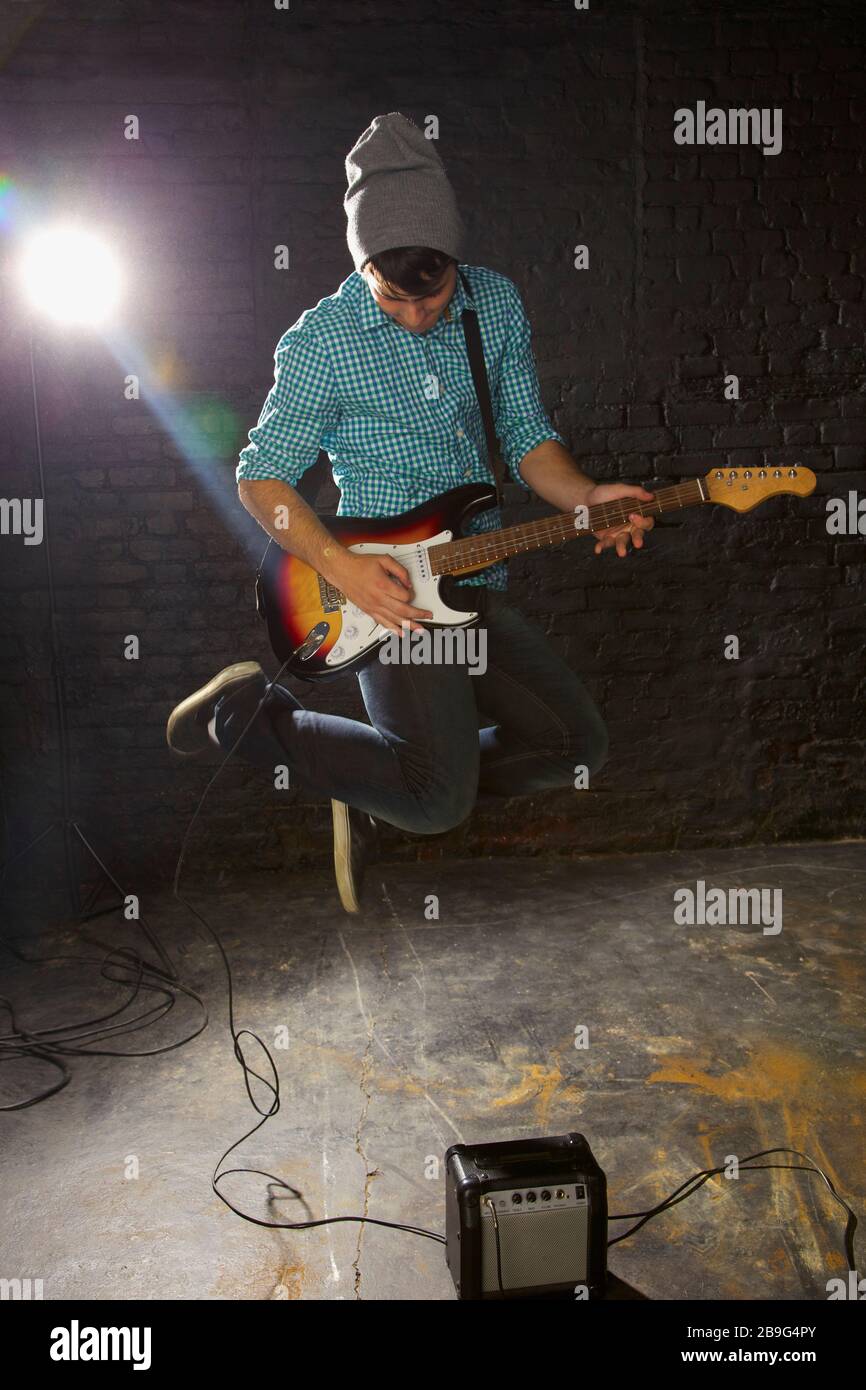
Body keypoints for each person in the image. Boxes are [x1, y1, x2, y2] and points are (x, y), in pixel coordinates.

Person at [167, 113, 654, 912]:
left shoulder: (492, 304)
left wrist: (588, 496)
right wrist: (346, 572)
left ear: (454, 260)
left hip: (473, 574)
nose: (419, 316)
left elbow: (528, 435)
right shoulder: (322, 342)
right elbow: (262, 479)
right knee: (436, 802)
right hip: (386, 597)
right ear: (364, 268)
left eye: (433, 295)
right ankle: (246, 714)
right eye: (396, 300)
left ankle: (374, 783)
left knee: (575, 746)